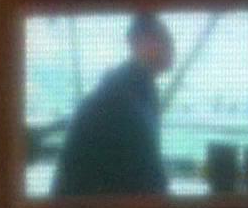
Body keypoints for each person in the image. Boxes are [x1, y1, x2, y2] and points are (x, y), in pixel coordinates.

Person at [50, 12, 172, 197]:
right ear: (138, 43)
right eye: (163, 40)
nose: (171, 49)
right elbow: (148, 176)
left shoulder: (123, 89)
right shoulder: (127, 97)